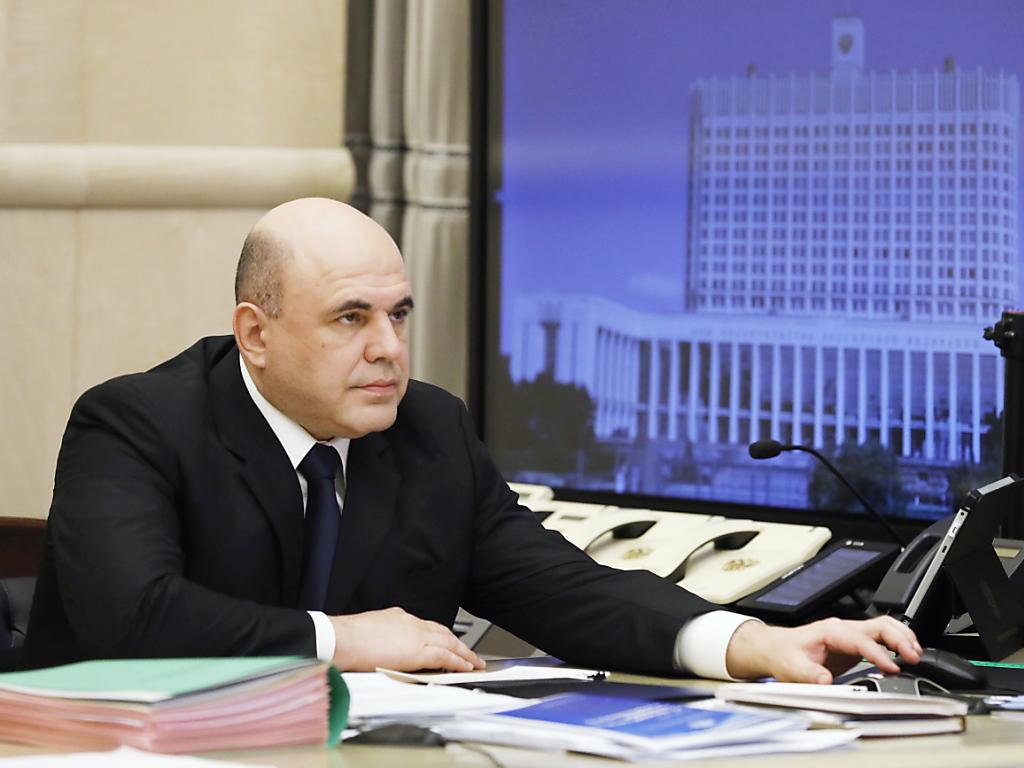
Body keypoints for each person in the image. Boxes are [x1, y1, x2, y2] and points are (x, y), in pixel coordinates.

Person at [25, 198, 921, 682]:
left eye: (399, 314)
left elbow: (562, 589)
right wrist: (339, 639)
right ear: (255, 334)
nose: (388, 348)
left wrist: (745, 641)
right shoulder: (136, 423)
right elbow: (135, 619)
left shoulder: (429, 429)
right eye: (350, 318)